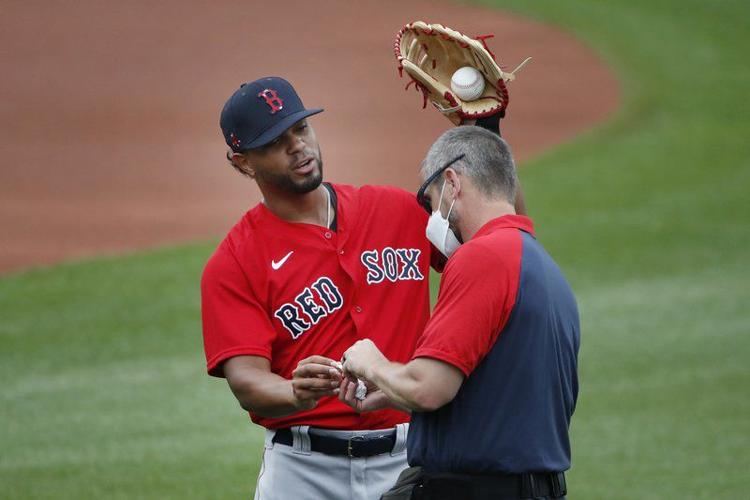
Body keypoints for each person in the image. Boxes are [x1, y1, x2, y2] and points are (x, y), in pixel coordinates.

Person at [201, 76, 450, 500]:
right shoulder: (235, 262)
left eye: (301, 128)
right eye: (275, 141)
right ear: (243, 163)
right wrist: (294, 393)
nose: (297, 145)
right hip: (303, 473)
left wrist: (485, 133)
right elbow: (246, 383)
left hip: (413, 459)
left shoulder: (397, 211)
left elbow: (502, 239)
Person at [341, 126, 580, 500]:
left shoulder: (482, 257)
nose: (431, 216)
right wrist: (391, 389)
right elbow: (504, 390)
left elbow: (428, 389)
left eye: (429, 198)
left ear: (451, 182)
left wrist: (371, 363)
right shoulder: (542, 266)